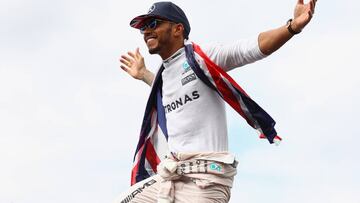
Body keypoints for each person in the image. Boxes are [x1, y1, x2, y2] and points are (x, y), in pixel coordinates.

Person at [115, 1, 317, 202]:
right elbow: (174, 92)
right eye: (143, 27)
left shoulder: (201, 57)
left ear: (178, 29)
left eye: (153, 24)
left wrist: (292, 27)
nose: (146, 32)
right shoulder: (164, 76)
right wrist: (144, 75)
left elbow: (247, 50)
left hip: (207, 181)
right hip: (174, 175)